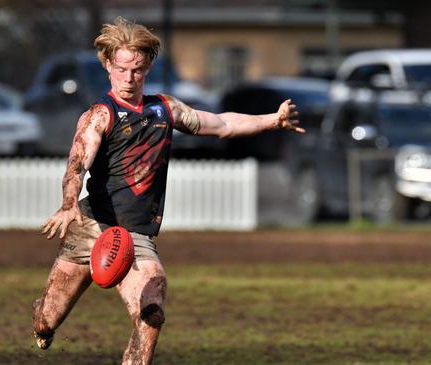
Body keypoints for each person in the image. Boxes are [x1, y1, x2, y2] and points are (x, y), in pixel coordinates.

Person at [33, 17, 303, 364]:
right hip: (89, 226)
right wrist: (69, 203)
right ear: (107, 65)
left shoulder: (165, 109)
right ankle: (43, 327)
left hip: (135, 235)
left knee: (152, 309)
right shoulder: (100, 115)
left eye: (138, 70)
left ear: (147, 68)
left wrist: (272, 120)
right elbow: (78, 162)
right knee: (47, 320)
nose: (129, 78)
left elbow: (220, 124)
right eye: (122, 69)